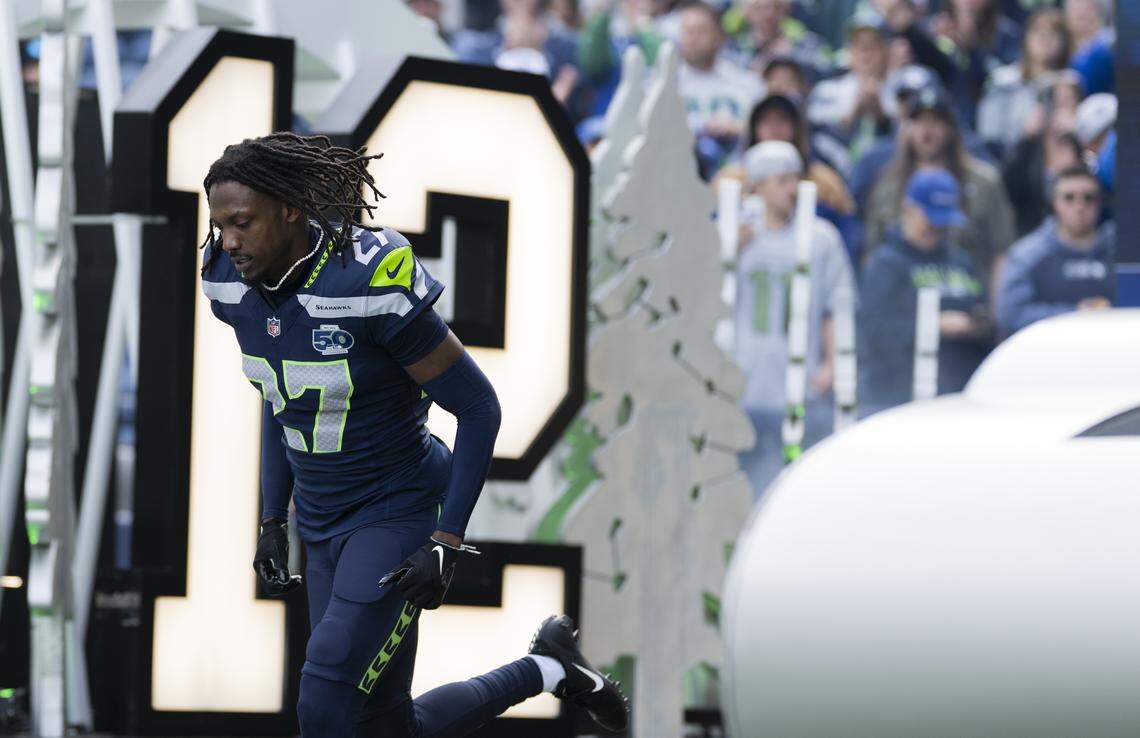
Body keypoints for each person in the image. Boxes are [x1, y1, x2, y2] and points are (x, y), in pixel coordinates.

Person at [198, 133, 629, 737]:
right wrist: (274, 518)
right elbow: (282, 397)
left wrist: (446, 539)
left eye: (242, 222)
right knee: (385, 728)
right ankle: (547, 669)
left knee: (322, 703)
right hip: (320, 522)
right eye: (220, 226)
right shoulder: (227, 281)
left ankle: (547, 666)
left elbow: (479, 407)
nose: (229, 242)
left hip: (395, 512)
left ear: (290, 208)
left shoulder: (365, 280)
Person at [733, 141, 855, 495]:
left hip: (800, 388)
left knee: (793, 479)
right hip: (746, 385)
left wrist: (832, 363)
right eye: (781, 180)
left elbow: (837, 307)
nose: (791, 189)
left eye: (795, 179)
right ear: (757, 186)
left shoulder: (821, 238)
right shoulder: (733, 233)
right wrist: (727, 250)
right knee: (745, 484)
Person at [859, 167, 992, 415]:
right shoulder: (885, 264)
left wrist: (977, 325)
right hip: (897, 396)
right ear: (909, 209)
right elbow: (875, 331)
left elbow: (984, 314)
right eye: (930, 219)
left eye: (943, 222)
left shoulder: (962, 262)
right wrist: (936, 325)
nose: (937, 228)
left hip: (957, 392)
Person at [863, 88, 1015, 291]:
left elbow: (1001, 252)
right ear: (905, 128)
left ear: (951, 128)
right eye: (918, 122)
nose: (927, 131)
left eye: (935, 121)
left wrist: (995, 310)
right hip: (901, 299)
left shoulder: (984, 182)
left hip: (966, 293)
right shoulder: (888, 182)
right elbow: (872, 249)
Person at [996, 165, 1115, 337]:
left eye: (1088, 198)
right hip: (1049, 355)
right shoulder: (1028, 254)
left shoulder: (1123, 251)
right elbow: (1010, 315)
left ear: (1100, 202)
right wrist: (1074, 314)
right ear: (1054, 202)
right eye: (1069, 198)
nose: (1079, 206)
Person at [676, 1, 764, 175]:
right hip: (678, 171)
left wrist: (739, 128)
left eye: (701, 31)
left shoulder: (748, 83)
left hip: (738, 172)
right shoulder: (661, 84)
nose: (693, 38)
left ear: (719, 36)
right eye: (687, 31)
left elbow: (766, 131)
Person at [976, 8, 1071, 158]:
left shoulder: (1071, 83)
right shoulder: (1002, 81)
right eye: (1037, 30)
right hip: (1010, 164)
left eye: (1054, 32)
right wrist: (1025, 134)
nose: (1044, 37)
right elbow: (989, 137)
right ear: (1025, 38)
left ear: (1064, 42)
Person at [806, 10, 892, 163]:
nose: (866, 53)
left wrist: (882, 118)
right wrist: (852, 115)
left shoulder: (902, 87)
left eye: (873, 45)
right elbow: (815, 138)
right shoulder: (827, 90)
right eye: (859, 46)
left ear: (886, 50)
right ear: (850, 50)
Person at [1065, 0, 1113, 95]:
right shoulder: (1063, 48)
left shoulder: (1111, 44)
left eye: (1087, 7)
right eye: (1075, 8)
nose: (1081, 13)